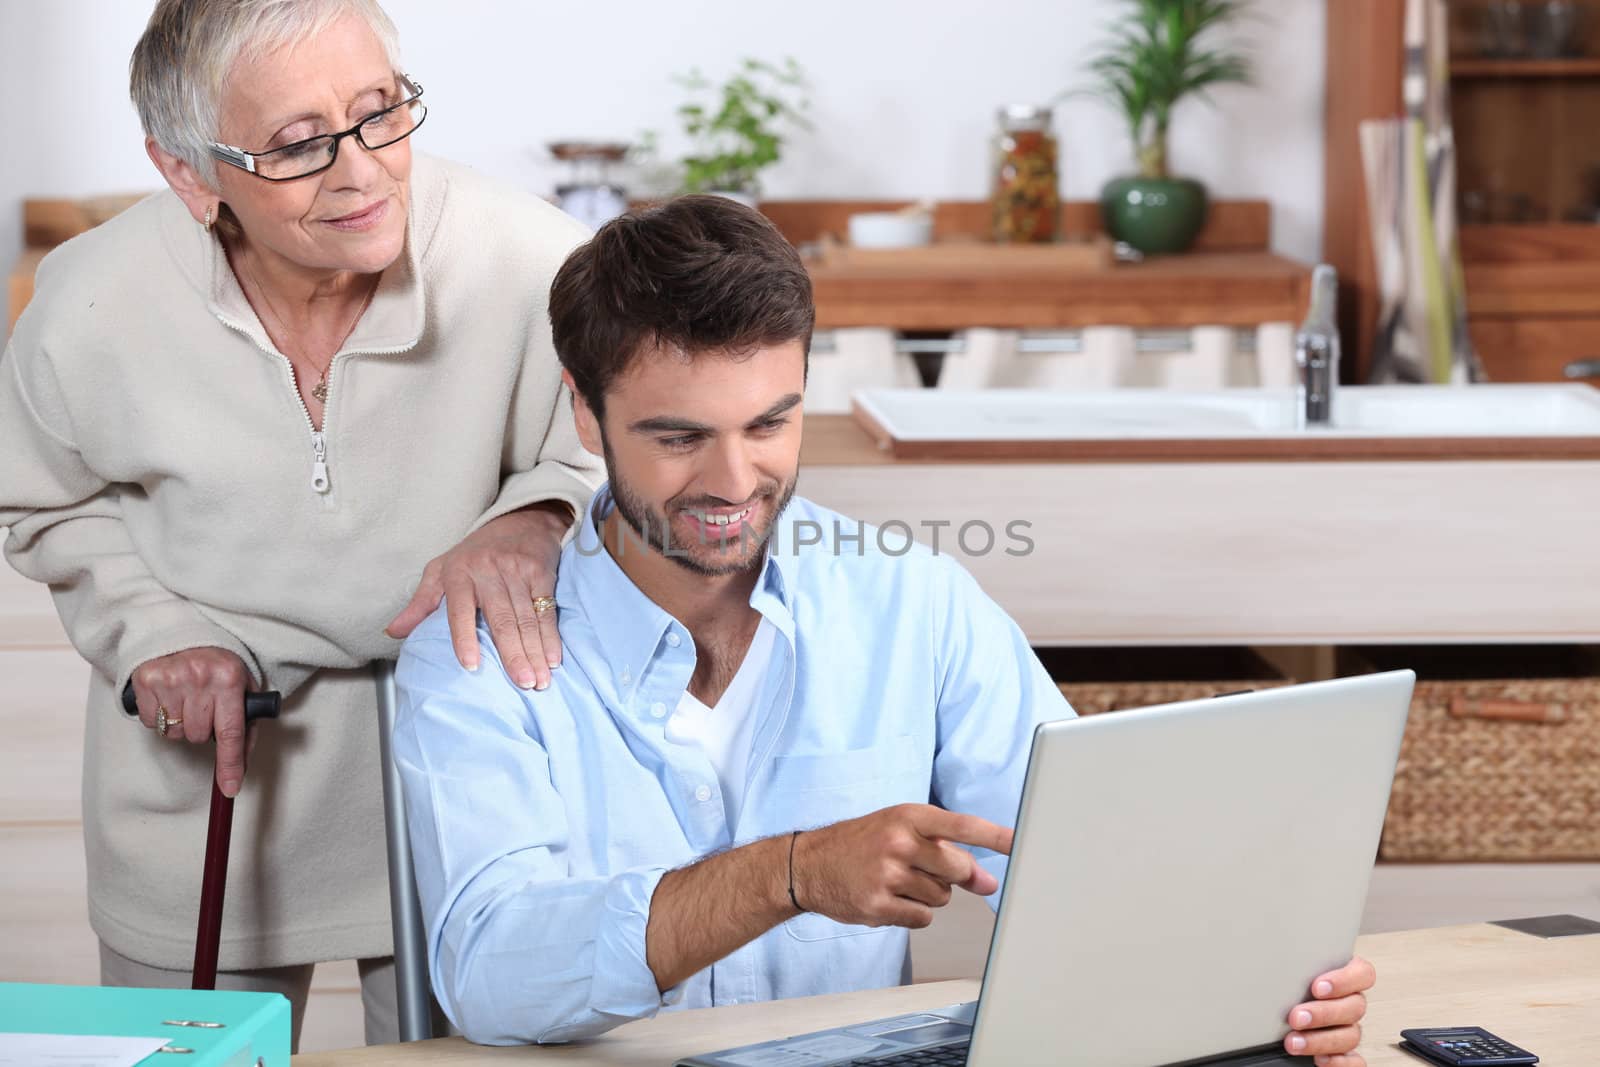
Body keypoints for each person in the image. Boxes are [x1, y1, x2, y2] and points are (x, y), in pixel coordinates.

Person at [393, 196, 1377, 1064]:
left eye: (769, 425)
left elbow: (1090, 861)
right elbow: (492, 970)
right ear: (582, 409)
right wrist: (788, 871)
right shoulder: (476, 645)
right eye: (680, 437)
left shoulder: (911, 601)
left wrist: (1269, 990)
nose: (735, 484)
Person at [0, 0, 600, 1048]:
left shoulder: (537, 263)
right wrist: (152, 629)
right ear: (190, 173)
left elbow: (629, 446)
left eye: (380, 113)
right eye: (297, 144)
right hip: (210, 789)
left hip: (475, 778)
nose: (363, 169)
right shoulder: (92, 301)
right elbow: (43, 493)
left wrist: (538, 515)